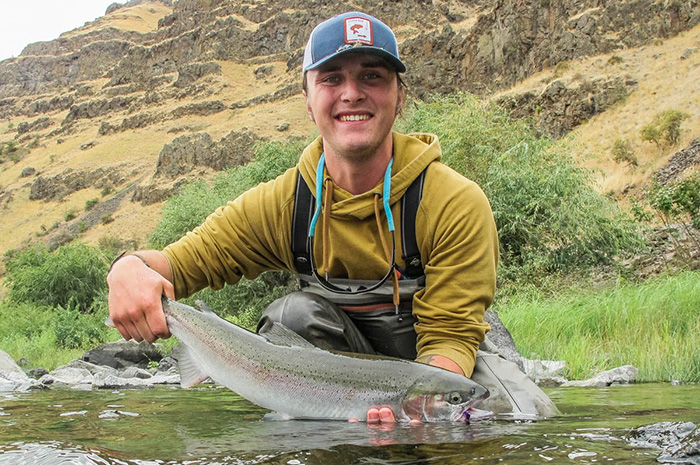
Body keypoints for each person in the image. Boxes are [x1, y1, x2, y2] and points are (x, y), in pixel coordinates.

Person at [107, 11, 502, 424]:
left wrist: (424, 420)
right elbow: (178, 264)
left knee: (501, 419)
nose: (351, 93)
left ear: (399, 96)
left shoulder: (453, 202)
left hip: (431, 371)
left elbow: (451, 338)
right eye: (331, 79)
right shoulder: (284, 203)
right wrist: (127, 268)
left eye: (372, 77)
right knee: (290, 316)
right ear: (308, 102)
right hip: (333, 388)